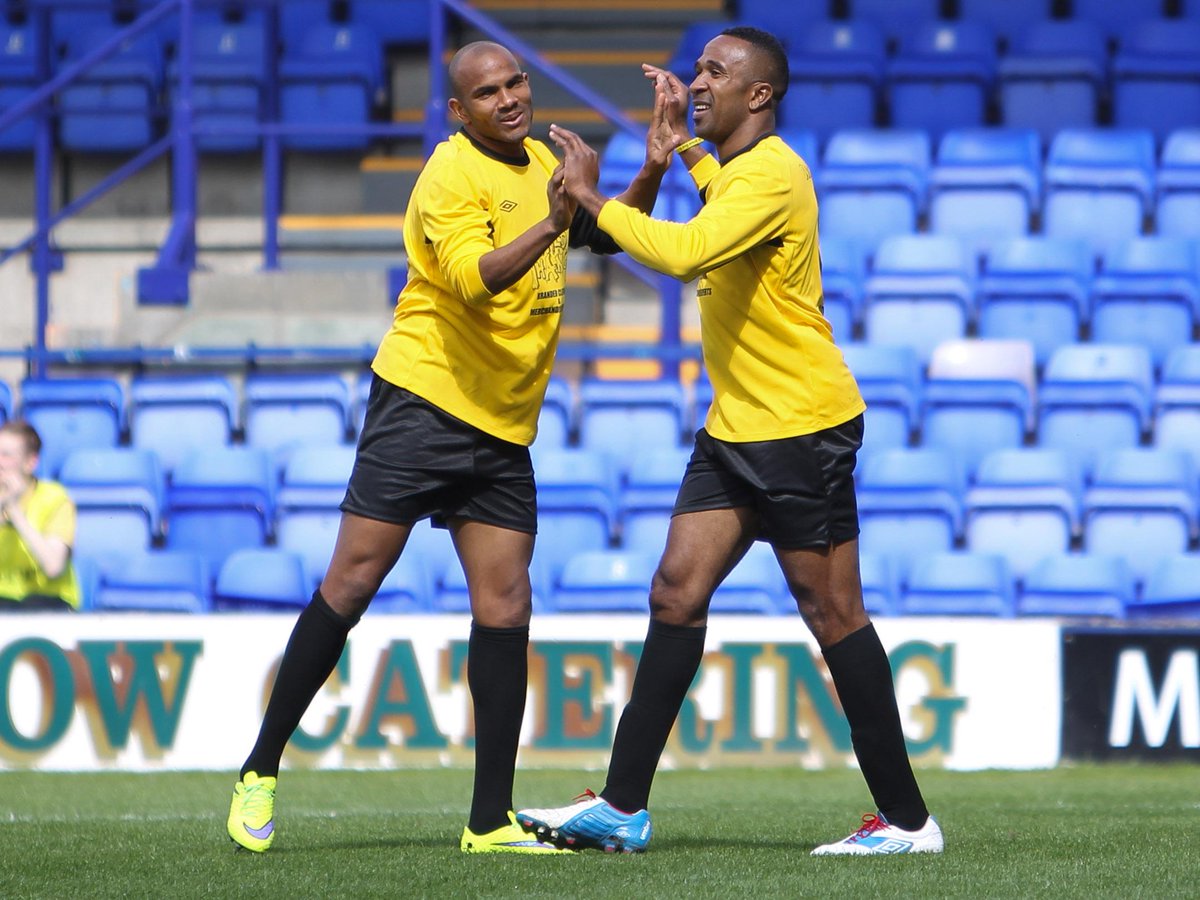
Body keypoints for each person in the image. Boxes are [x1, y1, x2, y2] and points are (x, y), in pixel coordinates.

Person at [226, 40, 678, 855]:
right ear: (458, 110)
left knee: (506, 607)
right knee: (351, 582)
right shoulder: (447, 176)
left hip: (503, 425)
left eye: (516, 82)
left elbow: (602, 237)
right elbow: (475, 279)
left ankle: (489, 821)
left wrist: (648, 169)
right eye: (487, 91)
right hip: (424, 405)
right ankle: (260, 768)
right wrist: (556, 215)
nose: (509, 98)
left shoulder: (541, 155)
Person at [517, 26, 943, 856]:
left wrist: (590, 198)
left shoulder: (777, 172)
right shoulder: (741, 172)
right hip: (736, 428)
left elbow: (687, 251)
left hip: (799, 428)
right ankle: (623, 807)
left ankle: (907, 822)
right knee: (676, 592)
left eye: (717, 72)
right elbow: (718, 210)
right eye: (698, 67)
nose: (697, 81)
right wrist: (680, 151)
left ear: (761, 97)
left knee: (834, 612)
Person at [0, 419, 80, 612]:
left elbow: (53, 566)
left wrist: (14, 511)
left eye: (6, 455)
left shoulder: (55, 499)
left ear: (30, 463)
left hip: (49, 600)